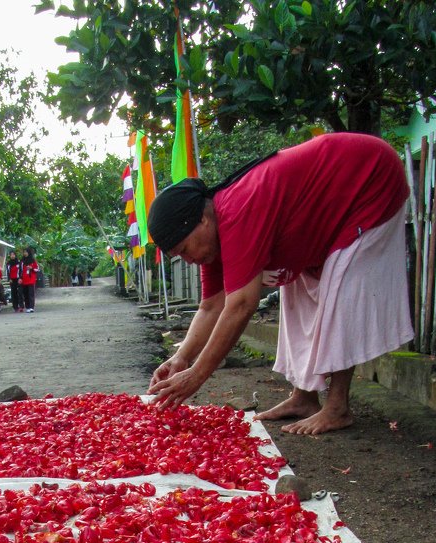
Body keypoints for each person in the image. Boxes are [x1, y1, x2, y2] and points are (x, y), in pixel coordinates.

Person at [147, 132, 413, 435]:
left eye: (184, 250)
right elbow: (211, 306)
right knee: (297, 298)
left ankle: (337, 407)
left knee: (341, 292)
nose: (188, 259)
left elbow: (241, 305)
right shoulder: (213, 242)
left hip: (369, 180)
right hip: (322, 214)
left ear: (202, 221)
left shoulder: (237, 211)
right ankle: (304, 398)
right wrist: (181, 358)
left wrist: (197, 375)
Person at [21, 248, 39, 313]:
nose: (25, 253)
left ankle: (31, 307)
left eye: (26, 252)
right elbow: (20, 270)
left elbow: (37, 269)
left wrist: (32, 268)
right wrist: (20, 278)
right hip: (24, 279)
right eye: (24, 252)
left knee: (31, 293)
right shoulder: (22, 261)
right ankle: (27, 307)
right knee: (25, 294)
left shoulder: (33, 261)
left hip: (31, 279)